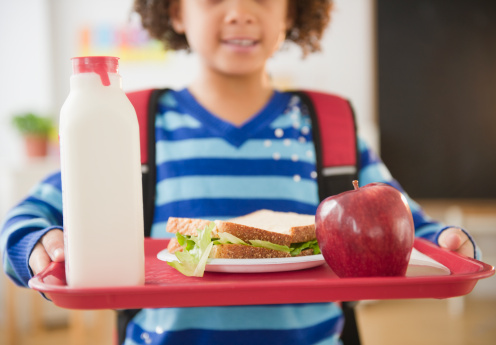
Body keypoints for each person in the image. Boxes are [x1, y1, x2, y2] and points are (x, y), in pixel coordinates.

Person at [1, 0, 481, 344]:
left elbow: (408, 228)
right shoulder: (132, 123)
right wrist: (38, 244)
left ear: (292, 11)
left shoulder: (330, 128)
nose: (239, 10)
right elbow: (28, 216)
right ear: (174, 11)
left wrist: (446, 243)